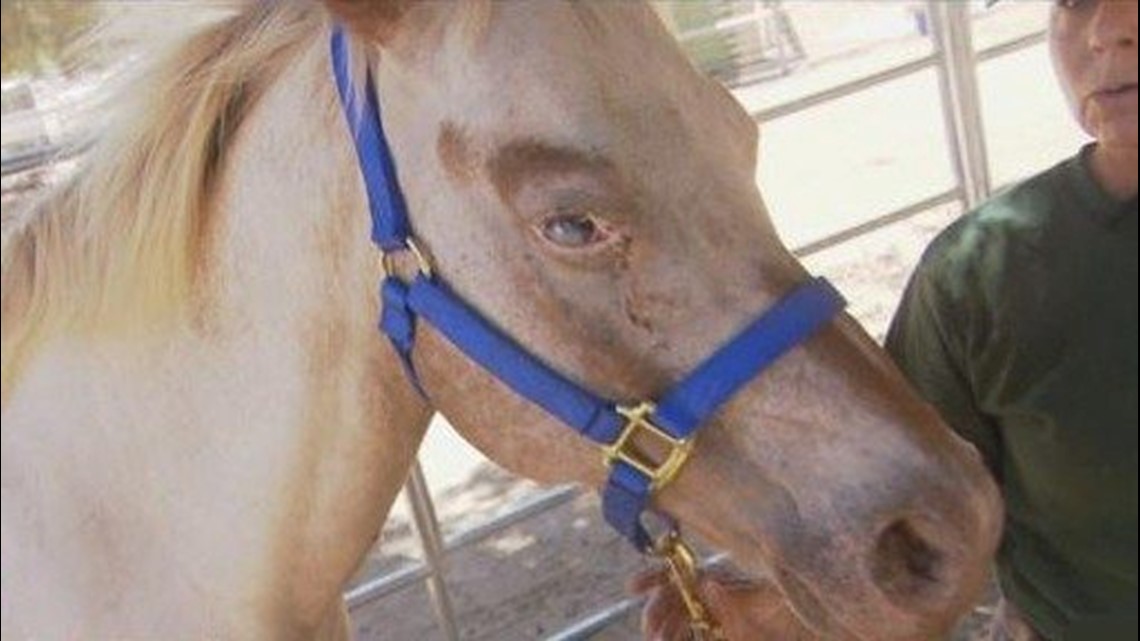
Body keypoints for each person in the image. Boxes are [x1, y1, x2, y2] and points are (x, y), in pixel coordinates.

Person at [635, 1, 1137, 639]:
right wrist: (775, 607)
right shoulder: (987, 277)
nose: (1105, 30)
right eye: (1074, 0)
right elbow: (905, 514)